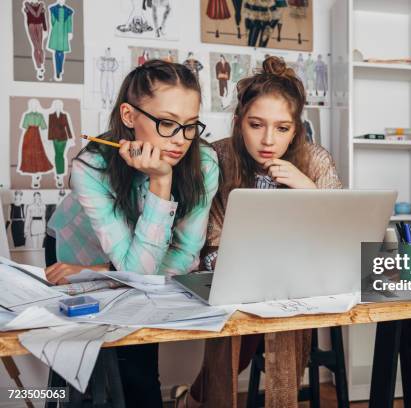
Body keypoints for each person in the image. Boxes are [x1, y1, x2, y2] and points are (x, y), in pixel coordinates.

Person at [45, 59, 219, 408]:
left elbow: (184, 259)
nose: (181, 140)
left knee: (137, 368)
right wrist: (110, 272)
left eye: (189, 126)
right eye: (167, 123)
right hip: (75, 257)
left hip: (128, 267)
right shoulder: (90, 168)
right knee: (77, 373)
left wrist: (161, 180)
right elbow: (138, 272)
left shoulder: (205, 163)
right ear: (128, 116)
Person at [173, 56, 342, 407]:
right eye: (256, 125)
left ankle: (194, 400)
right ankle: (198, 400)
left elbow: (339, 235)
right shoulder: (215, 157)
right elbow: (206, 241)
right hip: (231, 281)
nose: (268, 140)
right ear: (238, 123)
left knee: (281, 321)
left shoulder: (315, 161)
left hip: (298, 283)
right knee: (243, 328)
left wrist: (308, 189)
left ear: (296, 129)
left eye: (282, 128)